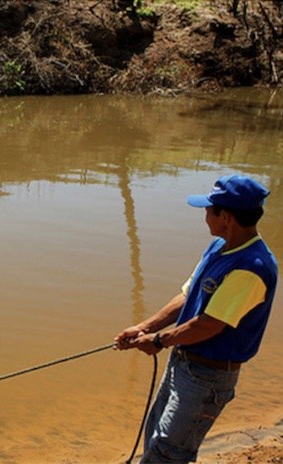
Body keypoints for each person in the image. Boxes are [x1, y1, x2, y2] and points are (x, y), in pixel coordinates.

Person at [115, 174, 277, 463]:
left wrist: (157, 341)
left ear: (225, 217)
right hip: (184, 362)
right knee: (157, 436)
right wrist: (144, 328)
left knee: (169, 451)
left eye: (208, 209)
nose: (204, 215)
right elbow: (187, 297)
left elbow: (209, 324)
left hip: (208, 378)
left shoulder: (251, 267)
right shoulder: (220, 247)